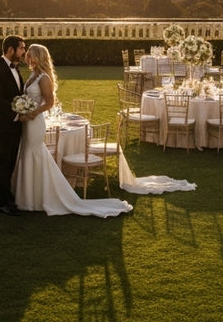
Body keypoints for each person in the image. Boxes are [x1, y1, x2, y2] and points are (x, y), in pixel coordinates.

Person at [13, 43, 133, 217]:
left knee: (35, 153)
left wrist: (32, 114)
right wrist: (22, 109)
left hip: (36, 122)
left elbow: (49, 103)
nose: (27, 58)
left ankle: (40, 198)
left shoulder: (44, 78)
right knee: (27, 153)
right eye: (27, 55)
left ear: (38, 57)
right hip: (27, 122)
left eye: (30, 55)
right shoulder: (33, 75)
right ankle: (29, 197)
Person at [0, 34, 26, 216]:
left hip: (16, 125)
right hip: (3, 125)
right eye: (21, 48)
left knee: (10, 163)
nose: (23, 52)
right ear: (10, 50)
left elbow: (18, 95)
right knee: (3, 163)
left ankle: (8, 198)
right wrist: (17, 115)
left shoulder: (16, 69)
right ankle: (2, 202)